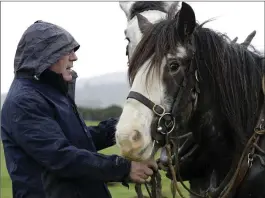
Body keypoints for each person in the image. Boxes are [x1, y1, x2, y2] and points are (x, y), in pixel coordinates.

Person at [1, 20, 157, 198]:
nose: (74, 57)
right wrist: (124, 168)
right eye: (66, 51)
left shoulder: (51, 93)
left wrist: (128, 125)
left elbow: (77, 140)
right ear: (45, 56)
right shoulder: (24, 101)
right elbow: (60, 157)